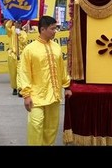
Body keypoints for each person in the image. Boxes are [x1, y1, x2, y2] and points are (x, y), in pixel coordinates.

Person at [17, 15, 72, 146]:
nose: (55, 31)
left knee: (51, 128)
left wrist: (67, 86)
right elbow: (24, 72)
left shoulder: (56, 47)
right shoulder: (30, 49)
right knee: (36, 125)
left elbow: (61, 69)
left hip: (54, 94)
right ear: (42, 29)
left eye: (55, 28)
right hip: (36, 95)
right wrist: (26, 94)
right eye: (52, 29)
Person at [6, 20, 28, 96]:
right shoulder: (12, 30)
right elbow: (7, 26)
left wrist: (19, 34)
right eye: (15, 22)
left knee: (20, 72)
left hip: (21, 55)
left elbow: (24, 41)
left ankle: (20, 89)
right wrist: (11, 19)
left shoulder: (23, 33)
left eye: (18, 23)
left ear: (21, 24)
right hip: (12, 54)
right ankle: (14, 88)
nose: (16, 24)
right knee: (13, 73)